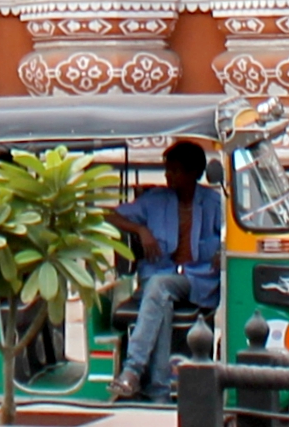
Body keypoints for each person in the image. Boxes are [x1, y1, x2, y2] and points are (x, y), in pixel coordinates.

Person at [112, 139, 223, 406]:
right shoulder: (155, 200)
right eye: (167, 169)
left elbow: (226, 237)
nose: (167, 175)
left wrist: (220, 252)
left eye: (175, 170)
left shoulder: (212, 202)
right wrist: (140, 230)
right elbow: (110, 215)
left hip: (196, 280)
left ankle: (133, 371)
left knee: (159, 288)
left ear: (194, 173)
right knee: (160, 297)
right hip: (159, 278)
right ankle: (158, 392)